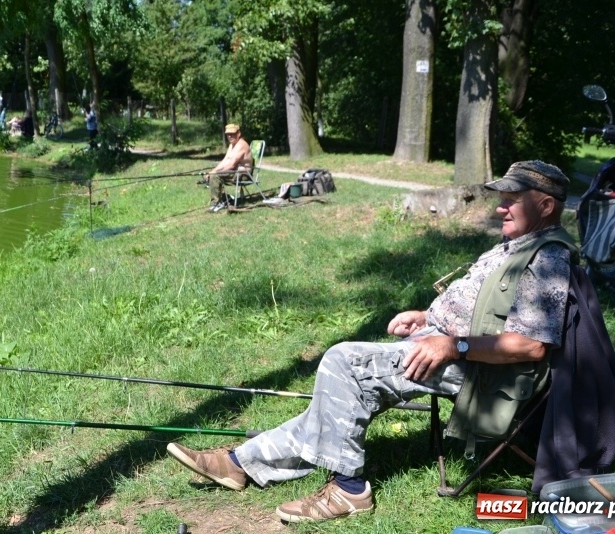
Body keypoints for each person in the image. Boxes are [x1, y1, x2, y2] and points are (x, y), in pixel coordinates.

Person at [167, 160, 576, 522]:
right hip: (454, 348)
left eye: (512, 198)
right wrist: (428, 317)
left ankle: (349, 489)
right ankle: (240, 464)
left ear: (545, 205)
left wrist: (452, 346)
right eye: (500, 198)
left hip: (485, 374)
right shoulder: (518, 244)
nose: (500, 206)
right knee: (338, 402)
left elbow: (532, 346)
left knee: (343, 362)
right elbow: (484, 306)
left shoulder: (549, 259)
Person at [203, 123, 253, 213]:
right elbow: (225, 161)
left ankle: (217, 203)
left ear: (238, 133)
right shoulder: (232, 145)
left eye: (232, 134)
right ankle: (226, 199)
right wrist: (212, 171)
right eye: (228, 134)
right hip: (235, 173)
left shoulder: (241, 145)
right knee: (213, 175)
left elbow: (232, 165)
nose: (230, 136)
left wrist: (215, 173)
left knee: (216, 176)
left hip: (243, 175)